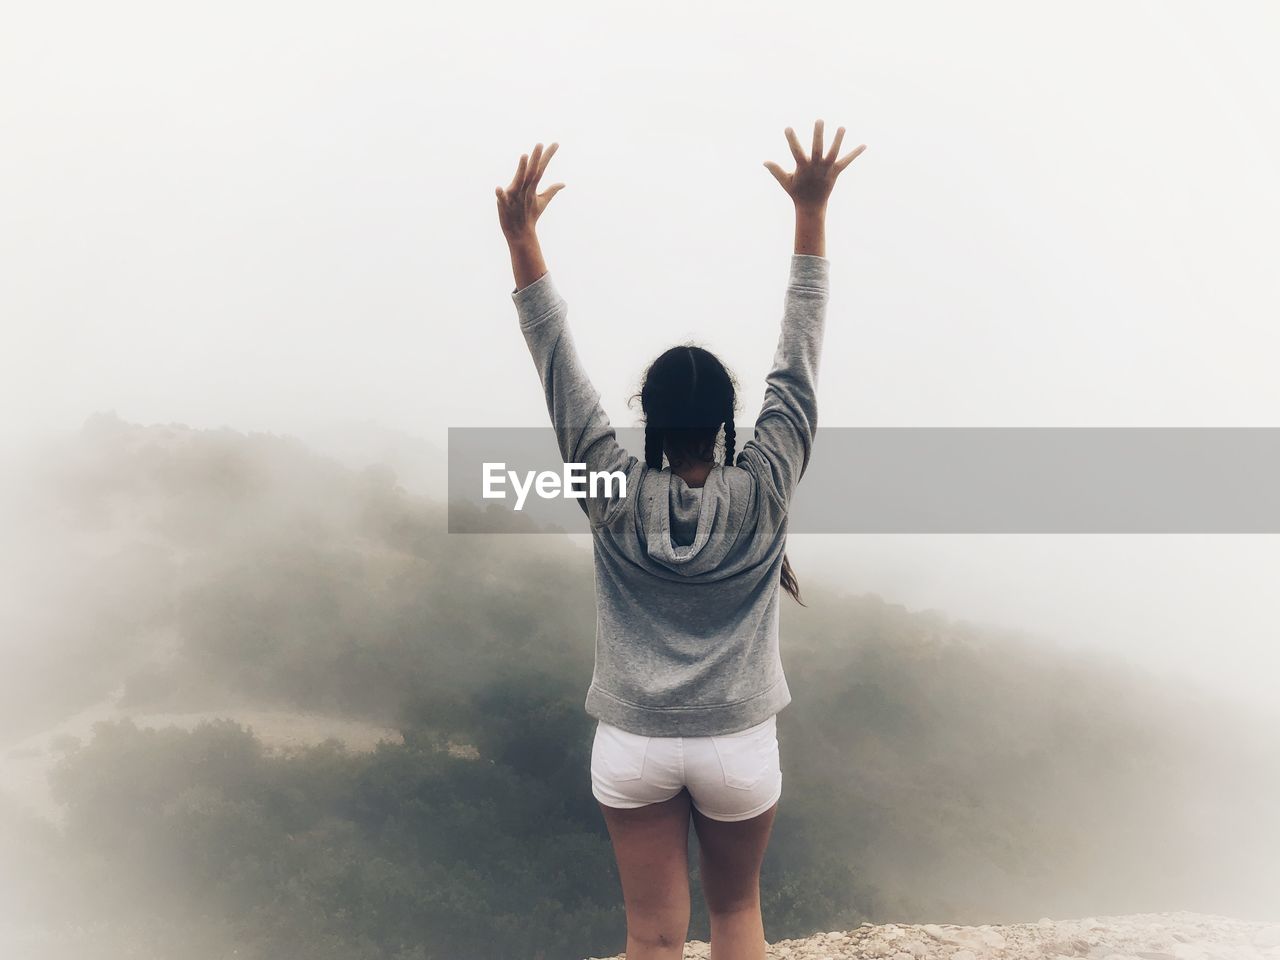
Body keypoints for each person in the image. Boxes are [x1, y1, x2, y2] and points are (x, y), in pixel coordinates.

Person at [496, 120, 864, 960]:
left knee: (653, 943)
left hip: (634, 744)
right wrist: (811, 213)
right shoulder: (767, 482)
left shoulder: (612, 489)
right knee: (737, 917)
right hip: (739, 741)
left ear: (650, 419)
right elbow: (798, 359)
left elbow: (558, 366)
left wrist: (522, 240)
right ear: (730, 422)